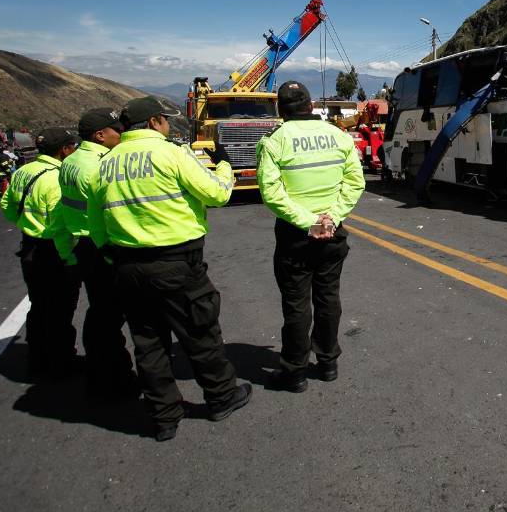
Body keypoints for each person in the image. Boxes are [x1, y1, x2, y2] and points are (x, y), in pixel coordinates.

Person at [91, 96, 250, 441]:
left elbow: (96, 222)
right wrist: (223, 166)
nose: (167, 125)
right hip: (177, 264)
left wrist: (114, 257)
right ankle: (221, 397)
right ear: (153, 122)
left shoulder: (105, 164)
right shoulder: (170, 153)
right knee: (200, 332)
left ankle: (164, 416)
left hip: (127, 266)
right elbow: (217, 194)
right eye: (164, 120)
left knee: (148, 343)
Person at [256, 81, 365, 393]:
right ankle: (328, 363)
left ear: (280, 108)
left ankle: (295, 372)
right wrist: (331, 217)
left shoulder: (274, 141)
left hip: (295, 236)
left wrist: (308, 222)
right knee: (328, 298)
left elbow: (272, 193)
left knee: (296, 304)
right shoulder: (338, 135)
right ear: (311, 105)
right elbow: (355, 183)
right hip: (332, 232)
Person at [54, 107, 138, 400]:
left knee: (101, 315)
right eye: (117, 129)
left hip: (83, 245)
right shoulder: (99, 166)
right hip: (101, 245)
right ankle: (112, 381)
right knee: (110, 318)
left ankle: (103, 375)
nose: (122, 133)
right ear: (100, 135)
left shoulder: (71, 161)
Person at [1, 128, 80, 380]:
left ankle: (37, 359)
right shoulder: (57, 178)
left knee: (38, 306)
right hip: (53, 251)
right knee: (60, 310)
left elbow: (7, 205)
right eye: (72, 147)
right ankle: (61, 363)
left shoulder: (23, 172)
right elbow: (59, 226)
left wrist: (27, 225)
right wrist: (69, 257)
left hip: (30, 247)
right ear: (64, 150)